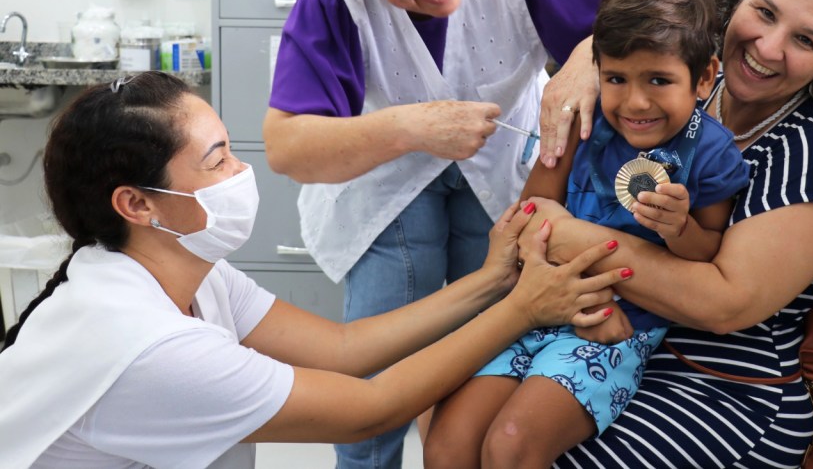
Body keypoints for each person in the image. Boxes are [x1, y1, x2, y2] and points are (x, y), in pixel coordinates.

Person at [0, 71, 629, 469]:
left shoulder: (188, 272)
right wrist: (523, 310)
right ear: (137, 204)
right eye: (217, 161)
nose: (242, 172)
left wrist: (495, 278)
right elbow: (371, 407)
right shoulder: (152, 346)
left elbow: (344, 348)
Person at [262, 0, 631, 468]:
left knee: (477, 368)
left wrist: (588, 58)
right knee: (377, 384)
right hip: (385, 187)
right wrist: (412, 127)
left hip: (502, 177)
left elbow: (639, 17)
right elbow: (287, 146)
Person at [488, 0, 813, 468]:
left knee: (524, 450)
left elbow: (723, 303)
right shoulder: (687, 86)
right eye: (765, 13)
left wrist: (567, 234)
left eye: (805, 40)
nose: (769, 47)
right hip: (609, 333)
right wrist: (586, 57)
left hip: (723, 385)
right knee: (452, 416)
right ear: (735, 1)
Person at [424, 0, 751, 467]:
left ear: (704, 77)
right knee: (447, 444)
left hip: (617, 332)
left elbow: (708, 252)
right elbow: (530, 216)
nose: (635, 102)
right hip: (536, 306)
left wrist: (679, 229)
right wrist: (586, 298)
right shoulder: (583, 122)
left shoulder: (710, 154)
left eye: (659, 80)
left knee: (510, 444)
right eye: (616, 79)